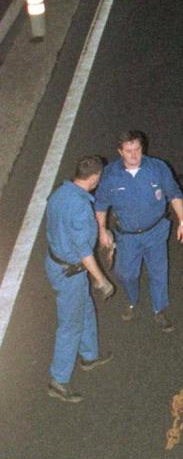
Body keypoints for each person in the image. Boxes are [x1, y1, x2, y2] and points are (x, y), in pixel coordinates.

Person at [94, 131, 183, 332]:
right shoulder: (110, 175)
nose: (134, 155)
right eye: (128, 151)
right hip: (127, 235)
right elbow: (101, 205)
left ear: (142, 148)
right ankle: (132, 300)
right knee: (126, 273)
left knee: (158, 272)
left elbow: (174, 194)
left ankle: (159, 309)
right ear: (120, 152)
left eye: (137, 149)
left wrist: (182, 221)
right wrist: (102, 230)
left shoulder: (158, 168)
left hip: (155, 231)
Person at [45, 155, 115, 403]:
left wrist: (101, 231)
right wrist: (102, 280)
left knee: (84, 308)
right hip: (70, 272)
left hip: (55, 261)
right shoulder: (80, 207)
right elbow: (84, 252)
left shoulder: (60, 194)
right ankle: (58, 379)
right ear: (94, 178)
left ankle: (89, 355)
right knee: (70, 324)